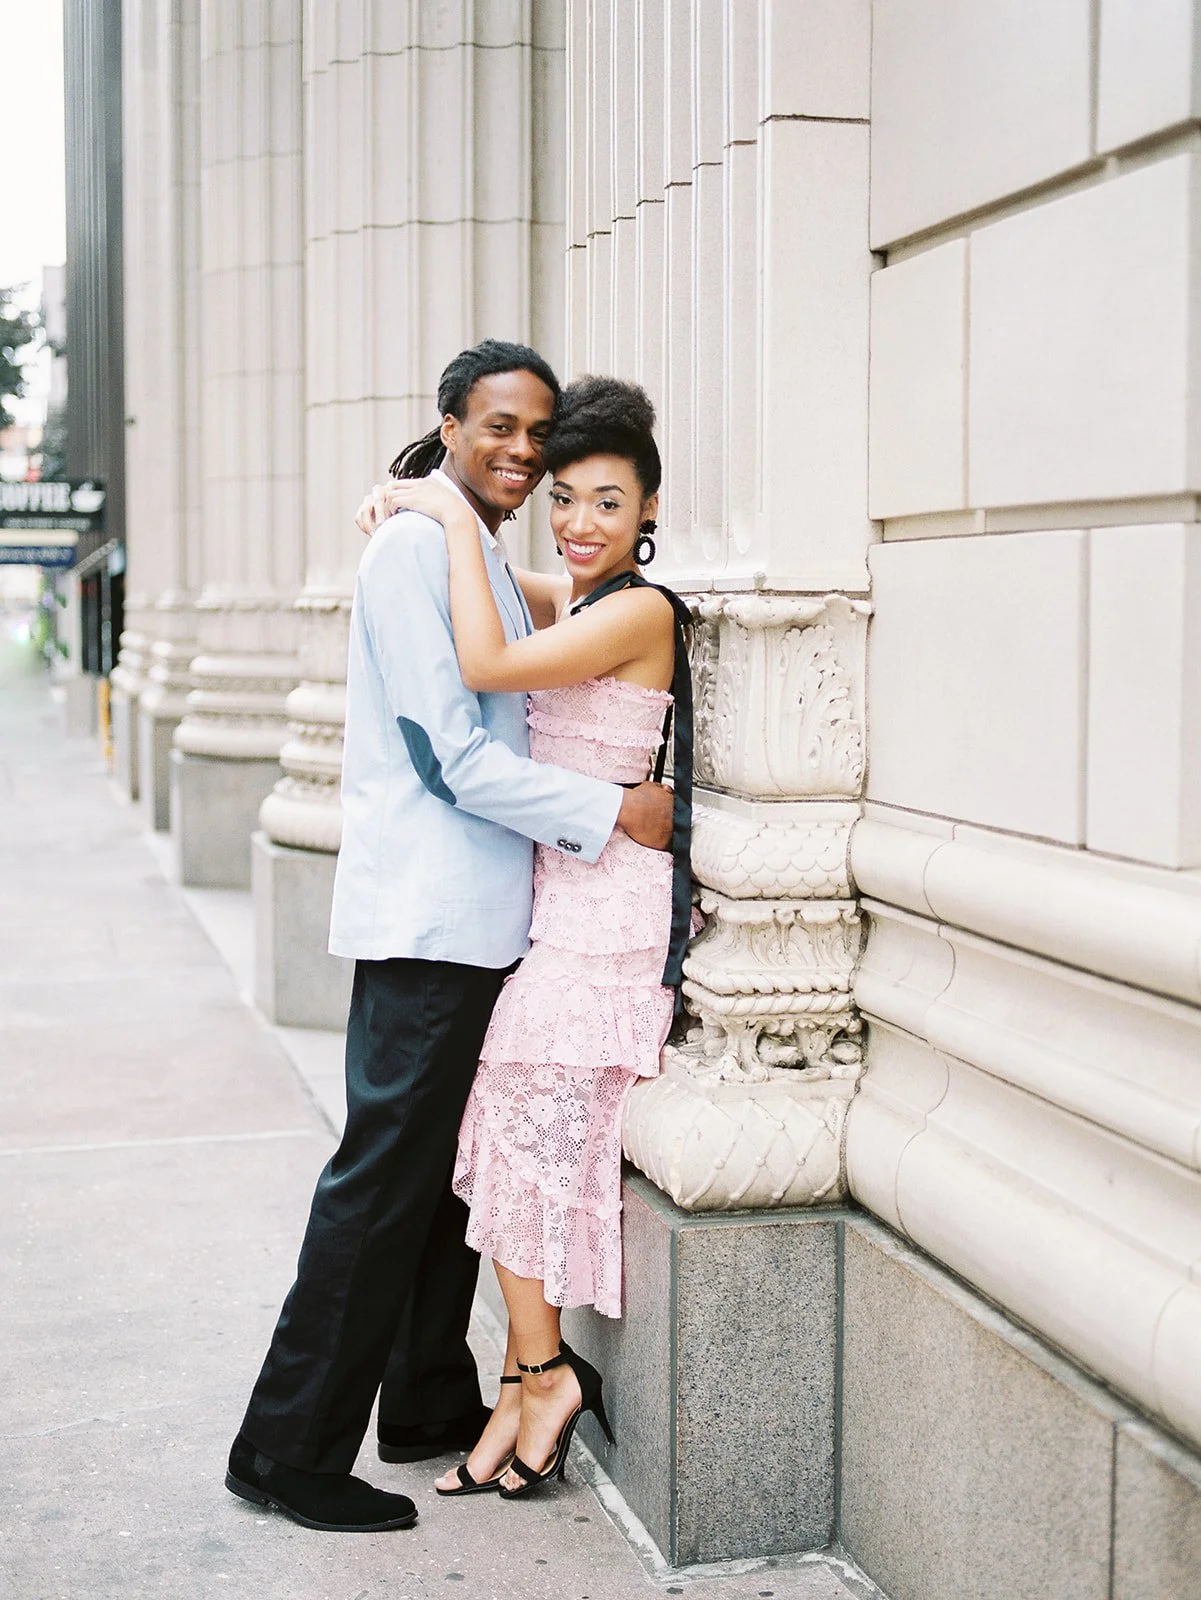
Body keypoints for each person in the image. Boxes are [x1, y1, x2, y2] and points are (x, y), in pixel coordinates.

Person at [225, 342, 673, 1534]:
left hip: (483, 920)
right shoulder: (419, 544)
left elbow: (558, 611)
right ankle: (286, 1448)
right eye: (499, 429)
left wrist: (420, 485)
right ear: (449, 423)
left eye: (539, 433)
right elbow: (451, 754)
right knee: (379, 1185)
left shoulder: (464, 536)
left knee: (430, 1190)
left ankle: (426, 1398)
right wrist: (608, 811)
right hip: (432, 919)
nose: (523, 452)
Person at [371, 375, 692, 1500]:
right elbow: (505, 595)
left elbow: (487, 661)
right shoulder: (579, 595)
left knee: (516, 1120)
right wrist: (412, 511)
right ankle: (524, 1375)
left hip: (605, 915)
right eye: (564, 497)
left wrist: (447, 510)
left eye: (607, 501)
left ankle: (544, 1373)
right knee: (502, 1131)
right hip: (562, 900)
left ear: (649, 510)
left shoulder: (638, 610)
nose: (579, 522)